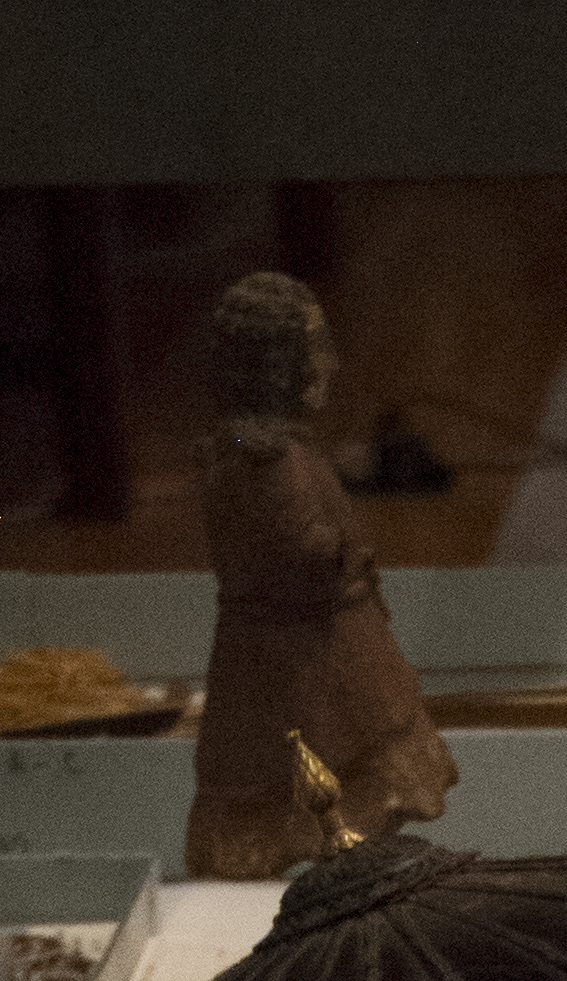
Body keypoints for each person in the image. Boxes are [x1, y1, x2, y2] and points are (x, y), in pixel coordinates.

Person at [184, 274, 458, 879]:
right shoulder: (266, 462)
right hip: (307, 664)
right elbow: (297, 560)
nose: (329, 365)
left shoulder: (264, 452)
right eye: (317, 351)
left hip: (314, 651)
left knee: (333, 790)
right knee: (323, 784)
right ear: (280, 367)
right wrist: (341, 554)